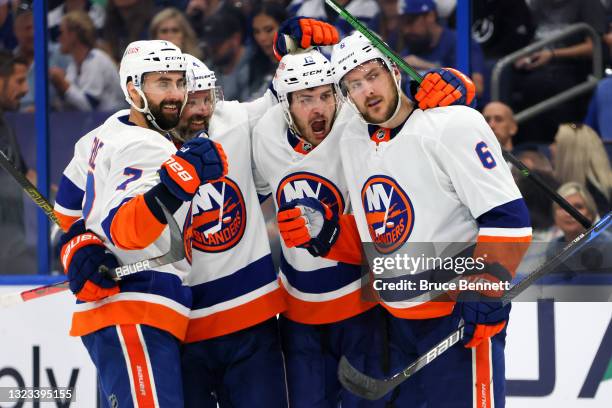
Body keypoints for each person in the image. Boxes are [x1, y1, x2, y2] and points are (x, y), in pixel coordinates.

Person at [277, 32, 531, 406]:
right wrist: (326, 234)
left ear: (394, 70)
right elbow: (380, 235)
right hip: (392, 324)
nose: (367, 90)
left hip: (454, 314)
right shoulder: (351, 137)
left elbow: (507, 220)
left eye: (373, 75)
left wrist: (485, 286)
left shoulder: (451, 124)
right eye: (354, 84)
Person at [56, 40, 228, 406]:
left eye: (180, 83)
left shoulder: (102, 135)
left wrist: (77, 247)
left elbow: (67, 211)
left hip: (118, 318)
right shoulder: (149, 147)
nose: (176, 95)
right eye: (162, 83)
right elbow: (126, 229)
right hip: (137, 310)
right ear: (133, 88)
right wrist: (174, 185)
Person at [177, 54, 288, 408]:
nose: (202, 109)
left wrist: (294, 49)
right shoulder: (144, 147)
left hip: (250, 316)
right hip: (183, 326)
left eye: (207, 98)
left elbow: (287, 96)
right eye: (191, 100)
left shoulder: (232, 121)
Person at [397, 0, 486, 96]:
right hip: (426, 108)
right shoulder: (411, 47)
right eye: (402, 24)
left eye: (410, 21)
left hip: (465, 108)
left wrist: (429, 67)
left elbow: (477, 88)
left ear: (430, 16)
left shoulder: (460, 42)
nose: (406, 30)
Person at [0, 49, 34, 274]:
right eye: (19, 81)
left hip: (11, 248)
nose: (26, 89)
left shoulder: (5, 126)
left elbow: (25, 178)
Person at [50, 10, 125, 111]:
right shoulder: (73, 65)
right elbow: (71, 106)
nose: (59, 39)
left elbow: (88, 107)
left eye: (61, 33)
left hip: (115, 121)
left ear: (73, 35)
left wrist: (63, 85)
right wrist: (60, 87)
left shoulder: (96, 59)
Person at [552, 123, 612, 214]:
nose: (551, 147)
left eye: (556, 142)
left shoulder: (598, 196)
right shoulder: (549, 184)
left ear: (569, 151)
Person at [200, 7, 250, 101]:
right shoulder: (208, 68)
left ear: (236, 39)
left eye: (217, 44)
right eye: (209, 44)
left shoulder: (255, 66)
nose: (212, 49)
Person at [246, 2, 287, 100]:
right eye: (257, 32)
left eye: (269, 30)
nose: (262, 38)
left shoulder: (299, 61)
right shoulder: (255, 63)